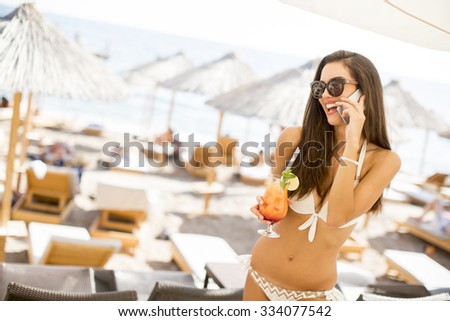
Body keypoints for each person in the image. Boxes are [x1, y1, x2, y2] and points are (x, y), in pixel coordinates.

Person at [244, 50, 401, 301]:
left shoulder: (383, 161)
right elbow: (274, 199)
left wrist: (351, 143)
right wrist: (265, 211)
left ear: (365, 93)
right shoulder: (294, 138)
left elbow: (337, 218)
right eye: (320, 87)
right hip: (259, 274)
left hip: (312, 295)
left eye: (336, 86)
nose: (326, 95)